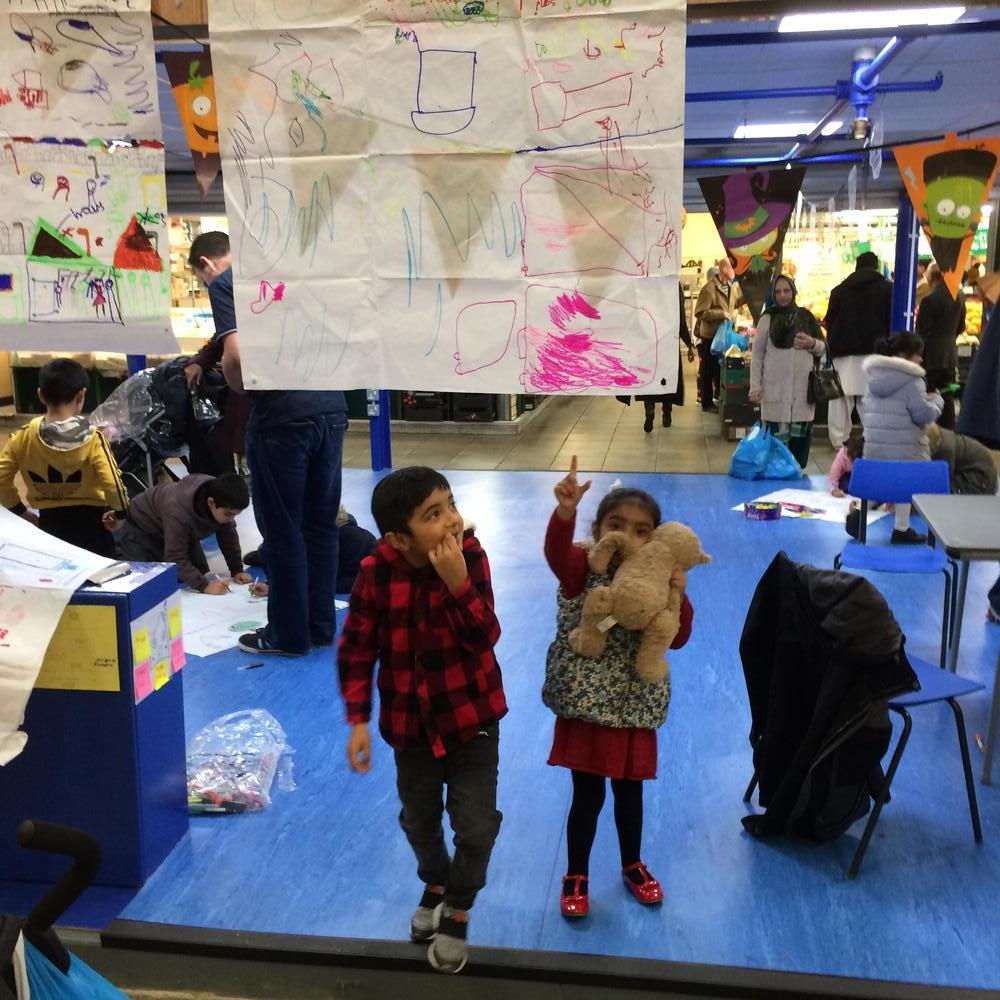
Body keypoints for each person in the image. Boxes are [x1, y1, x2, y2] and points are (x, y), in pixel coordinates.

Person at [337, 467, 505, 975]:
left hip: (471, 720)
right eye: (434, 515)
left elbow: (485, 637)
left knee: (475, 827)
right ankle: (435, 880)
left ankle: (457, 906)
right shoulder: (376, 571)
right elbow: (357, 647)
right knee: (418, 820)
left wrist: (458, 586)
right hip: (410, 728)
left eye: (451, 505)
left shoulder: (470, 558)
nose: (452, 520)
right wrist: (359, 719)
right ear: (398, 538)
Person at [542, 461, 693, 919]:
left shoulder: (662, 581)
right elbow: (556, 554)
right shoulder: (582, 569)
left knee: (631, 795)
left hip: (634, 708)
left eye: (643, 530)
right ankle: (577, 872)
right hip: (589, 708)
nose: (629, 536)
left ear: (658, 538)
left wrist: (678, 594)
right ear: (599, 529)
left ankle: (632, 864)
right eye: (616, 525)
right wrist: (564, 512)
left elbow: (680, 636)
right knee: (586, 797)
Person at [187, 232, 349, 656]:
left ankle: (288, 635)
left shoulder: (229, 284)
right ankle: (319, 625)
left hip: (281, 415)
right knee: (320, 524)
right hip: (332, 407)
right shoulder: (311, 276)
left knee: (283, 529)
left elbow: (236, 357)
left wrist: (239, 388)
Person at [0, 358, 127, 557]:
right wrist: (120, 515)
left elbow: (1, 479)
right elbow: (112, 484)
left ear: (40, 396)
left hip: (49, 526)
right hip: (93, 527)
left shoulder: (22, 437)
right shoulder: (94, 438)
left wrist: (20, 511)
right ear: (82, 395)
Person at [861, 332, 944, 545]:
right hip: (907, 455)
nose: (921, 359)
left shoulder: (873, 378)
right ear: (904, 355)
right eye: (918, 354)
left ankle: (858, 515)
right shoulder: (913, 381)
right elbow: (922, 415)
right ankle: (901, 528)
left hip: (873, 452)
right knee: (908, 472)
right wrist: (937, 402)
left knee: (878, 480)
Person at [113, 473, 252, 594]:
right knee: (148, 585)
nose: (231, 520)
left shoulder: (219, 495)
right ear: (211, 503)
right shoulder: (179, 512)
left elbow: (228, 535)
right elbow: (174, 556)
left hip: (176, 529)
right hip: (141, 529)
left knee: (199, 571)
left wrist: (237, 570)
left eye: (235, 515)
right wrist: (205, 586)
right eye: (228, 514)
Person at [183, 231, 250, 476]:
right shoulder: (263, 273)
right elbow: (226, 334)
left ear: (208, 263)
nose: (207, 285)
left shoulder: (223, 285)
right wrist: (203, 358)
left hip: (262, 403)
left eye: (203, 279)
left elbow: (234, 354)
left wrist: (237, 384)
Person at [748, 275, 826, 468]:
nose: (783, 295)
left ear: (793, 291)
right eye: (778, 291)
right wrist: (755, 386)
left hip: (802, 399)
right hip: (775, 396)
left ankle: (796, 490)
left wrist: (812, 343)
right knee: (775, 455)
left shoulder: (807, 318)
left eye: (786, 290)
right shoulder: (767, 319)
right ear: (773, 294)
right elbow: (757, 356)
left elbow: (824, 349)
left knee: (799, 457)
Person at [824, 251, 893, 448]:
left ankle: (839, 441)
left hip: (843, 353)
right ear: (876, 266)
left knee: (839, 399)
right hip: (874, 354)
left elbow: (830, 320)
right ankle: (873, 439)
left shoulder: (839, 291)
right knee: (870, 399)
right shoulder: (888, 290)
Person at [916, 265, 965, 430]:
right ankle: (948, 437)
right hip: (950, 356)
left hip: (931, 358)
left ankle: (930, 436)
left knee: (928, 398)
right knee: (947, 398)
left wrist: (917, 355)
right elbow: (961, 327)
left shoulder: (930, 300)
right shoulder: (959, 296)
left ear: (932, 277)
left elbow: (921, 333)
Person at [694, 258, 741, 413]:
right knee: (708, 370)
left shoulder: (731, 288)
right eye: (733, 267)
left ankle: (719, 399)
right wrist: (721, 314)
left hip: (724, 336)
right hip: (711, 337)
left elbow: (736, 302)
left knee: (719, 370)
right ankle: (706, 402)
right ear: (725, 270)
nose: (735, 270)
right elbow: (700, 312)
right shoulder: (709, 289)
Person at [926, 423, 998, 496]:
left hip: (981, 475)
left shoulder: (946, 449)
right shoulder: (941, 436)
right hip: (980, 470)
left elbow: (943, 479)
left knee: (945, 492)